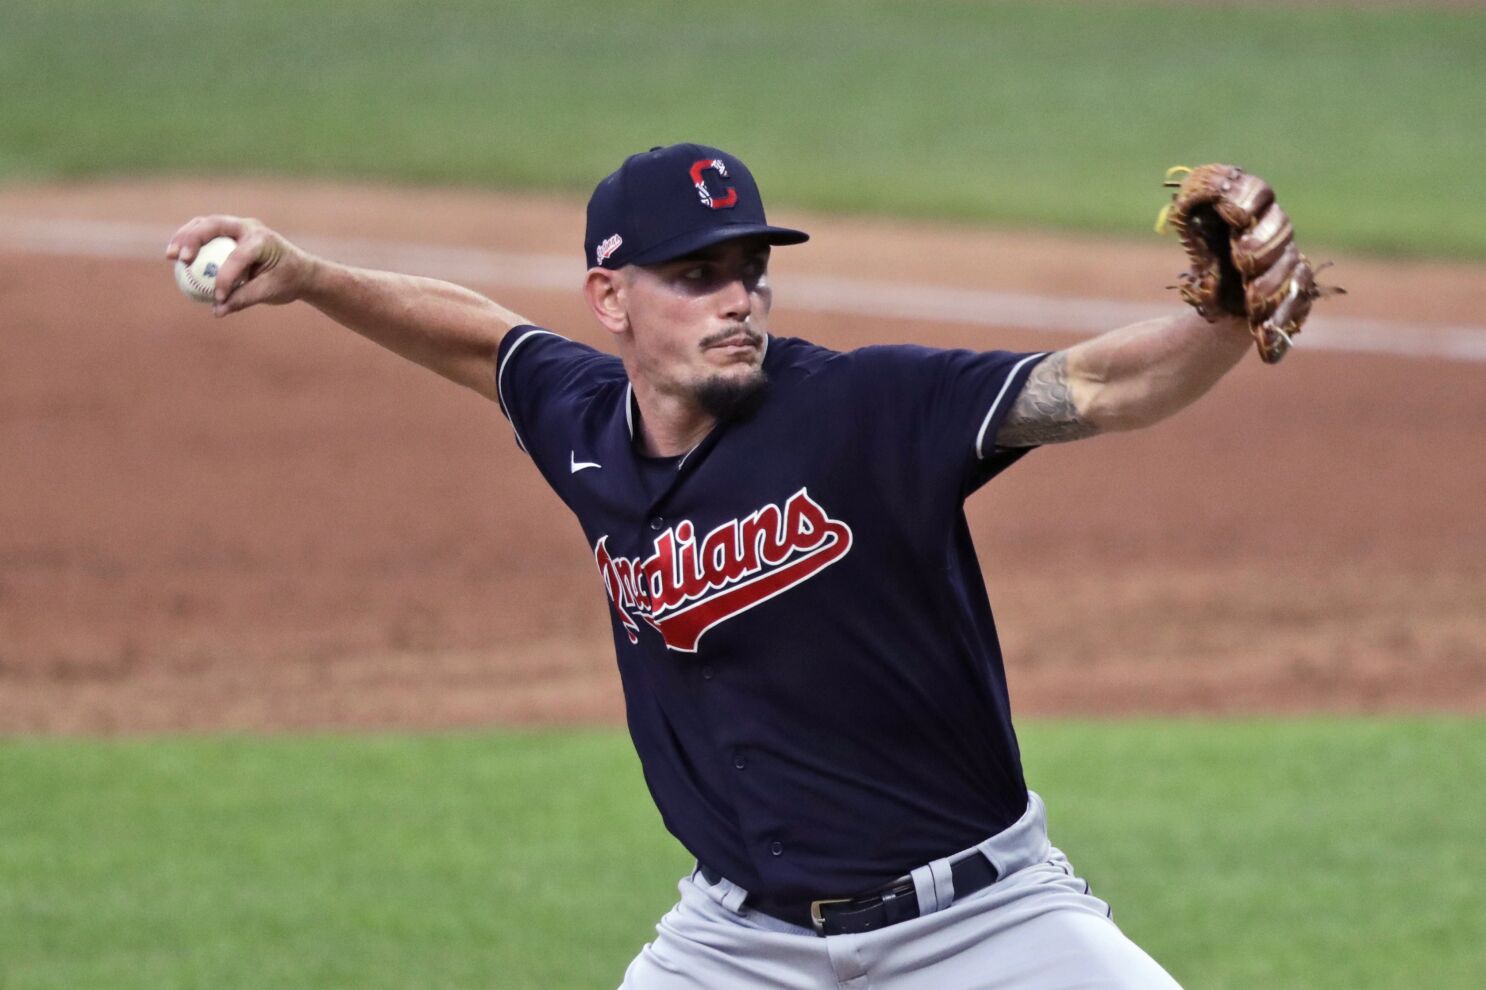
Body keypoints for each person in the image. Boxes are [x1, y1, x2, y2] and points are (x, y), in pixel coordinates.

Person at [166, 143, 1268, 989]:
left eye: (749, 270)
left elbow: (1092, 389)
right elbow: (476, 339)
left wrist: (1222, 318)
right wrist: (307, 275)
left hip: (983, 922)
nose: (738, 298)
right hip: (740, 945)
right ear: (611, 302)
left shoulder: (864, 406)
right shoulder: (583, 425)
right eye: (696, 275)